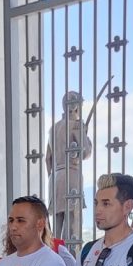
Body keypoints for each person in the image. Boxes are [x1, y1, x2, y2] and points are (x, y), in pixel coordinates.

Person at [46, 91, 93, 243]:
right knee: (73, 222)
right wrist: (86, 137)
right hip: (71, 174)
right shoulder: (76, 125)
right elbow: (84, 152)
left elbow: (47, 158)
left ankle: (55, 253)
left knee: (57, 223)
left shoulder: (53, 128)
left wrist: (52, 178)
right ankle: (70, 259)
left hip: (55, 178)